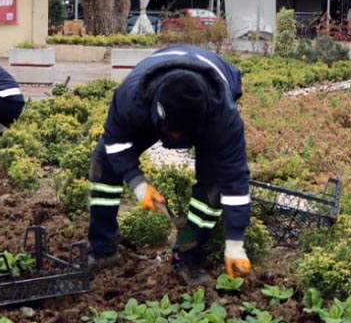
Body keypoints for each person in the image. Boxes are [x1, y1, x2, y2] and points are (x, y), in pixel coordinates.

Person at [86, 45, 252, 285]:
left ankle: (188, 256)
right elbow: (116, 142)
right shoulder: (131, 98)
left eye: (181, 134)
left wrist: (235, 243)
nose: (174, 141)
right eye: (169, 132)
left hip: (211, 91)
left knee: (214, 183)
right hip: (152, 100)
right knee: (103, 161)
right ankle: (103, 250)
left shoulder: (223, 117)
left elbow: (235, 180)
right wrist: (137, 182)